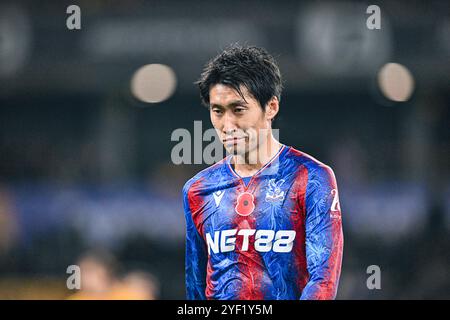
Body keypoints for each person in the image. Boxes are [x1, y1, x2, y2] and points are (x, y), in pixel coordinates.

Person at [182, 45, 343, 300]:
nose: (227, 125)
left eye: (238, 109)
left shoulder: (310, 177)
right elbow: (195, 286)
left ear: (271, 107)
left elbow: (323, 280)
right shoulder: (197, 190)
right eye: (217, 111)